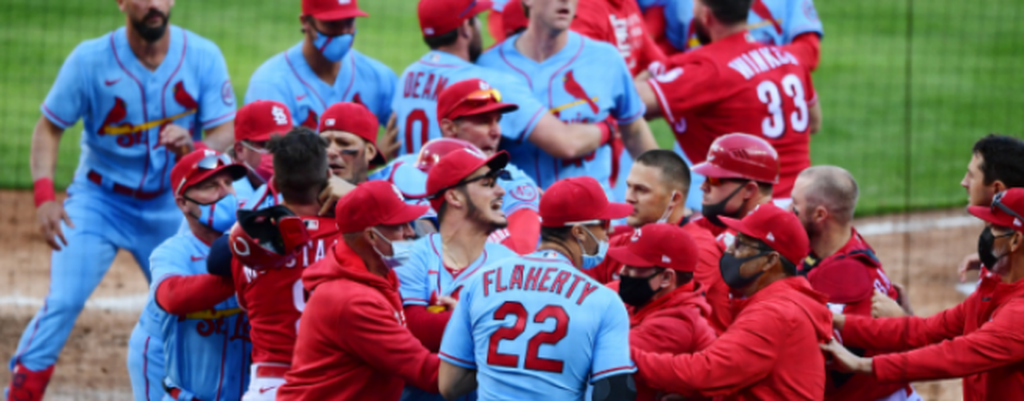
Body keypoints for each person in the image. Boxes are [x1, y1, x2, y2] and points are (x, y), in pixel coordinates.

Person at [9, 0, 237, 397]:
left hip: (171, 208)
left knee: (204, 302)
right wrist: (45, 196)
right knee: (63, 301)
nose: (154, 4)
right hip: (99, 201)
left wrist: (195, 144)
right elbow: (48, 128)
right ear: (121, 3)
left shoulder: (202, 56)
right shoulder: (89, 60)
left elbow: (224, 131)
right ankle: (21, 391)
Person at [438, 176, 637, 401]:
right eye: (604, 224)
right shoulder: (604, 301)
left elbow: (449, 384)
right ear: (579, 232)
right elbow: (616, 394)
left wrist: (505, 369)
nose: (608, 233)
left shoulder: (481, 280)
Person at [821, 188, 1024, 401]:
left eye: (994, 227)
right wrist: (836, 320)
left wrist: (862, 364)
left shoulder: (1019, 313)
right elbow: (926, 329)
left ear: (1015, 241)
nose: (986, 235)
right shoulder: (992, 286)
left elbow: (955, 356)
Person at [632, 204, 831, 399]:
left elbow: (706, 372)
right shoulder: (781, 302)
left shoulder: (774, 313)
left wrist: (626, 357)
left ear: (770, 261)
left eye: (740, 245)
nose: (729, 251)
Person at [635, 0, 822, 205]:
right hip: (799, 206)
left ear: (706, 15)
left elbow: (630, 101)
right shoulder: (790, 59)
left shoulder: (708, 70)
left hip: (749, 212)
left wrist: (663, 66)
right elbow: (815, 122)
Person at [391, 0, 618, 164]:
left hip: (412, 202)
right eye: (476, 20)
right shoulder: (487, 82)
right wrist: (608, 127)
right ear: (465, 29)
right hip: (454, 203)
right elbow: (565, 143)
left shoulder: (408, 77)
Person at [477, 0, 659, 200]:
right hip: (523, 213)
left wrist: (664, 190)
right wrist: (607, 129)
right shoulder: (490, 67)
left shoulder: (606, 58)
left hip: (594, 214)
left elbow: (635, 131)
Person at [277, 181, 439, 400]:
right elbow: (429, 374)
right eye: (401, 225)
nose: (411, 233)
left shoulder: (377, 275)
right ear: (371, 236)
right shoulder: (352, 299)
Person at [397, 147, 520, 401]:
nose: (501, 191)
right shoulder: (407, 254)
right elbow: (414, 327)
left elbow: (520, 337)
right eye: (487, 183)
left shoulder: (511, 263)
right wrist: (485, 318)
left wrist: (459, 316)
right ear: (454, 197)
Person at [226, 129, 341, 400]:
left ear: (275, 183)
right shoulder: (351, 238)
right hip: (333, 385)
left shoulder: (246, 241)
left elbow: (244, 302)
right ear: (328, 177)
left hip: (270, 386)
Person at [790, 166, 918, 401]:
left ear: (820, 215)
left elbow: (834, 364)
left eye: (795, 207)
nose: (789, 212)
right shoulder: (839, 244)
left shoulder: (847, 278)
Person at [133, 150, 250, 401]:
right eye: (210, 186)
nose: (225, 193)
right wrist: (245, 274)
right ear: (183, 202)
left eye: (228, 183)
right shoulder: (173, 252)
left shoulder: (255, 243)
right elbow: (172, 296)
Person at [384, 79, 543, 253]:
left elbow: (519, 254)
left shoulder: (514, 181)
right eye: (484, 121)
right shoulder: (399, 168)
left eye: (497, 121)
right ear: (450, 128)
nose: (496, 132)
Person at [587, 150, 730, 332]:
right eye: (629, 186)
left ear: (674, 199)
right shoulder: (622, 243)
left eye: (641, 190)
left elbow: (667, 317)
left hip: (676, 349)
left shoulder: (698, 249)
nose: (629, 197)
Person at [605, 223, 716, 401]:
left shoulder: (678, 322)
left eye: (633, 266)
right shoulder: (649, 297)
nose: (622, 271)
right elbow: (595, 293)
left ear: (666, 278)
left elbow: (604, 353)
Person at [245, 0, 396, 128]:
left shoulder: (379, 76)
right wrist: (370, 159)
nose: (343, 32)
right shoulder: (269, 83)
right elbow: (278, 160)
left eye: (349, 22)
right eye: (331, 23)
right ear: (305, 22)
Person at [641, 0, 824, 71]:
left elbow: (809, 52)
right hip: (698, 137)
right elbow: (668, 51)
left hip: (763, 127)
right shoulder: (679, 4)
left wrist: (751, 68)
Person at [231, 100, 295, 201]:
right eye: (269, 146)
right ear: (240, 150)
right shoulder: (226, 194)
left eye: (284, 144)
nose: (279, 152)